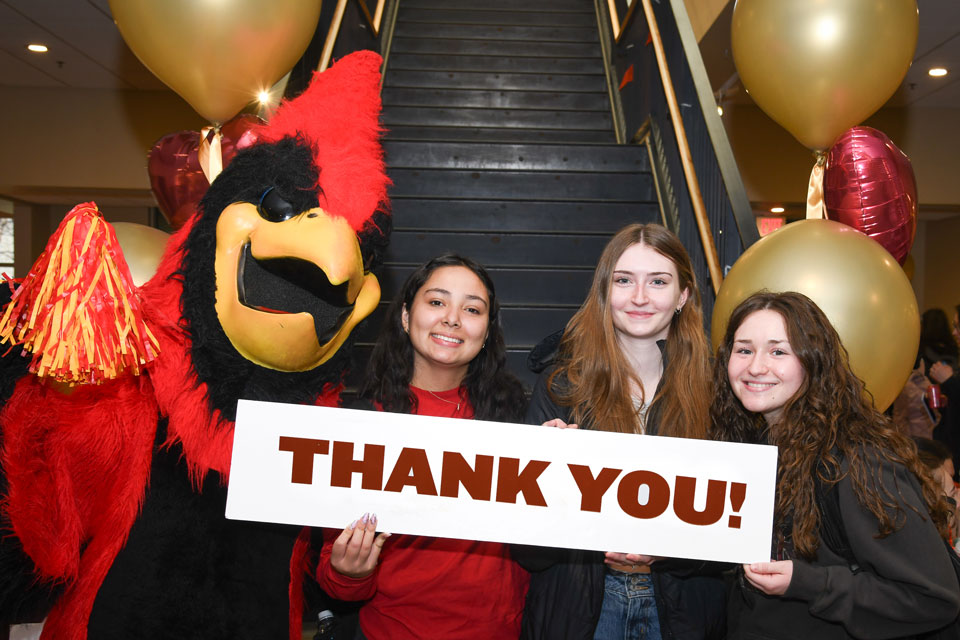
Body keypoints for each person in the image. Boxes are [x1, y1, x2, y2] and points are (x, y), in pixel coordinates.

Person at [517, 223, 726, 640]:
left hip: (684, 608)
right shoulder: (562, 386)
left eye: (659, 282)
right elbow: (527, 551)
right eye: (624, 280)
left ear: (683, 295)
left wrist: (671, 552)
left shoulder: (719, 391)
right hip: (582, 607)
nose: (640, 297)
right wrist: (546, 481)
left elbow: (739, 537)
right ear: (604, 293)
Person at [712, 291, 960, 639]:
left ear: (814, 361)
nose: (755, 366)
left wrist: (810, 583)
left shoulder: (859, 460)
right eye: (744, 349)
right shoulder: (755, 445)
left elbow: (932, 598)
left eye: (778, 351)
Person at [315, 254, 530, 640]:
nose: (452, 318)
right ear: (404, 316)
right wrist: (351, 571)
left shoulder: (517, 421)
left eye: (472, 309)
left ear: (486, 332)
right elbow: (334, 576)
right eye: (436, 302)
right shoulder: (360, 424)